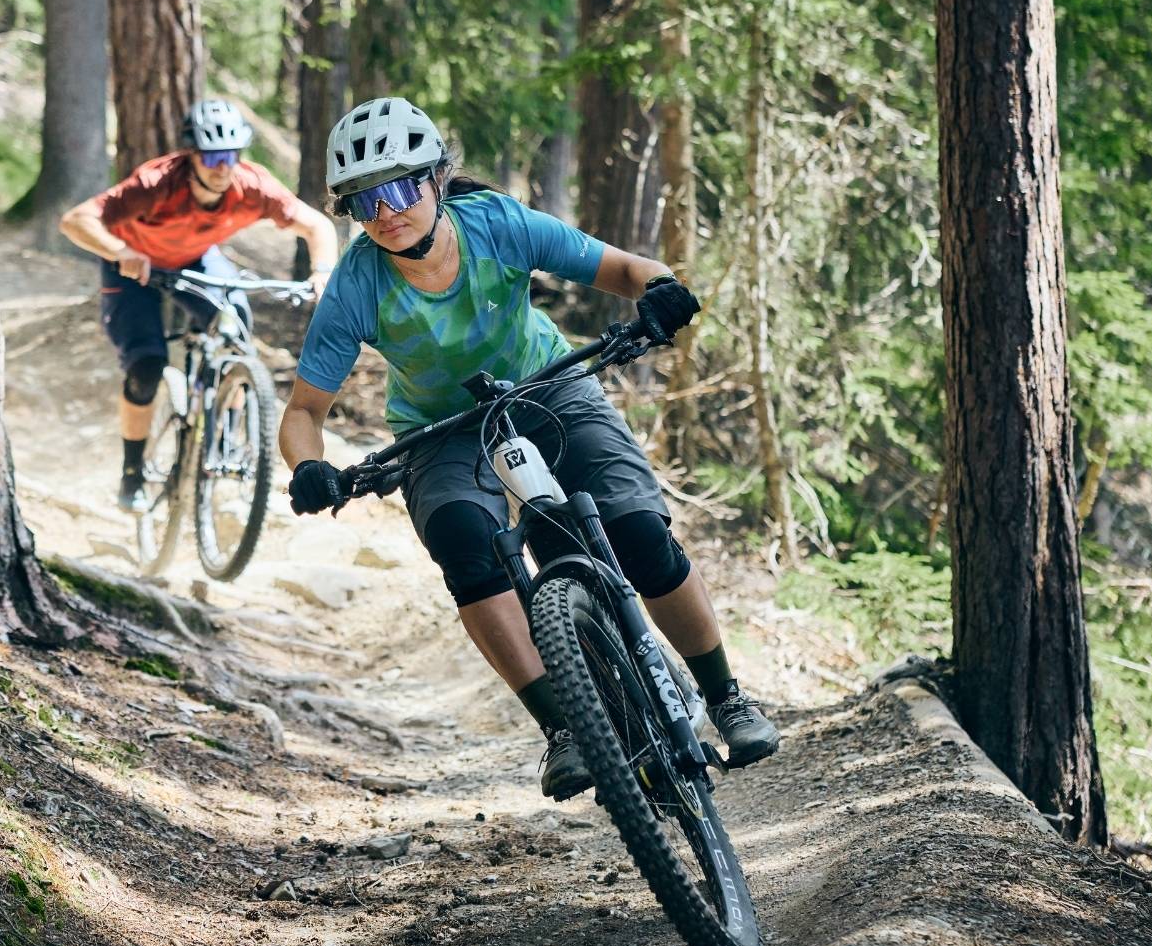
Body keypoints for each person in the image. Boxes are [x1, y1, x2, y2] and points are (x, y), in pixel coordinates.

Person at [276, 96, 780, 800]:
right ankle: (564, 731)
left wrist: (660, 290)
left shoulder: (498, 225)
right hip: (442, 429)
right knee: (462, 541)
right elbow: (303, 412)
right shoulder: (357, 284)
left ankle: (726, 697)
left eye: (398, 187)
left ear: (437, 178)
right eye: (364, 202)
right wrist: (309, 467)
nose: (386, 212)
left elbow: (629, 271)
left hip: (550, 387)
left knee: (638, 531)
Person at [60, 98, 338, 511]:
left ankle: (221, 430)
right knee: (146, 366)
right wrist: (120, 250)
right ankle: (132, 473)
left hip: (194, 260)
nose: (221, 166)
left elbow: (316, 224)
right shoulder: (156, 183)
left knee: (234, 332)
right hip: (133, 266)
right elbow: (76, 220)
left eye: (230, 155)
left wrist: (322, 273)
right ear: (192, 155)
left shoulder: (252, 186)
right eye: (211, 156)